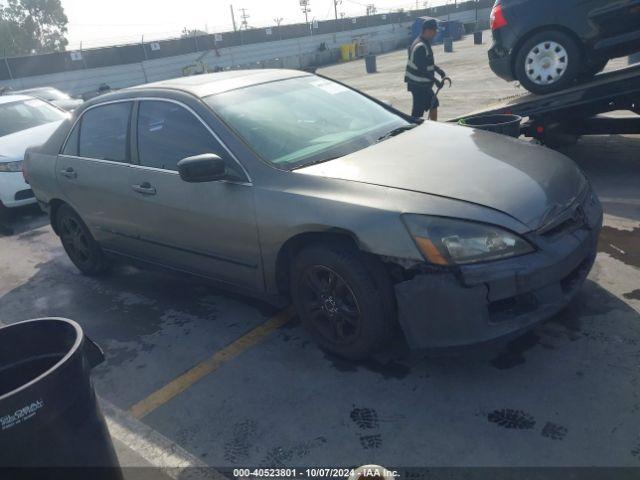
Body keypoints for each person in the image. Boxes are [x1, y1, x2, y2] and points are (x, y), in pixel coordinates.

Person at [405, 18, 446, 121]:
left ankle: (433, 127)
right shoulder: (420, 46)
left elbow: (426, 62)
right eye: (434, 30)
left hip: (421, 84)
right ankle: (413, 131)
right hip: (418, 85)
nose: (436, 33)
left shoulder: (423, 42)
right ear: (427, 30)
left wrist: (438, 70)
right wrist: (435, 81)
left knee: (433, 104)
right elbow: (422, 69)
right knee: (417, 112)